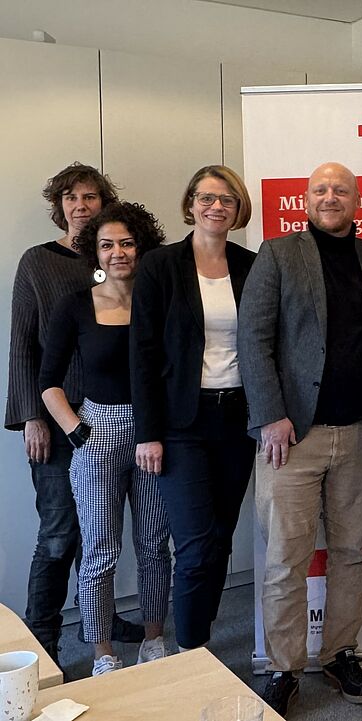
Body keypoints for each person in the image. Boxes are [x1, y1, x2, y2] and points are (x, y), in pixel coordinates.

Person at [238, 162, 362, 717]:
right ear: (305, 200)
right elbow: (254, 339)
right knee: (286, 557)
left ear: (358, 201)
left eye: (341, 190)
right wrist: (270, 416)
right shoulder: (278, 255)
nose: (331, 196)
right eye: (320, 189)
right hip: (293, 435)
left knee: (350, 553)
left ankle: (340, 654)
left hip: (361, 432)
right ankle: (285, 668)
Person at [5, 162, 143, 663]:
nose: (80, 205)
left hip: (112, 418)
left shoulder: (114, 263)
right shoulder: (37, 262)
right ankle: (42, 639)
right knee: (61, 534)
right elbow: (23, 344)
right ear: (59, 206)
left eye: (90, 197)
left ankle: (100, 622)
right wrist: (31, 418)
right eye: (71, 198)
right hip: (59, 423)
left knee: (100, 534)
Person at [129, 165, 257, 653]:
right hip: (182, 423)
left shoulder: (250, 265)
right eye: (207, 197)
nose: (216, 206)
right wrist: (148, 433)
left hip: (237, 419)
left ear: (238, 208)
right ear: (190, 204)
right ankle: (191, 650)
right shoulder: (161, 265)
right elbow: (141, 354)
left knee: (219, 539)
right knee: (197, 545)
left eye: (227, 199)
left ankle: (196, 641)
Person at [40, 202, 169, 676]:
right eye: (107, 245)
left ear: (142, 247)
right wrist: (76, 431)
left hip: (155, 433)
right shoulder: (74, 305)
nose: (119, 253)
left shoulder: (160, 301)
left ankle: (154, 639)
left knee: (155, 544)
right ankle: (102, 651)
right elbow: (48, 379)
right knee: (99, 549)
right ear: (94, 252)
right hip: (97, 434)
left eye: (128, 243)